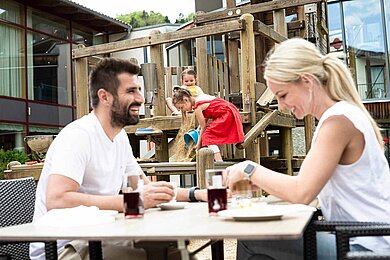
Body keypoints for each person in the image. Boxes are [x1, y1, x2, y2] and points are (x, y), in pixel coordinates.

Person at [226, 38, 390, 259]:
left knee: (251, 237)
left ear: (307, 80)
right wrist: (258, 183)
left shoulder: (337, 122)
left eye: (282, 95)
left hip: (366, 247)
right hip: (359, 239)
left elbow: (301, 192)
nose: (282, 106)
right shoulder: (342, 115)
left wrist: (249, 169)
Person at [29, 58, 207, 260]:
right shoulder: (78, 135)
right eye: (131, 91)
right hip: (63, 247)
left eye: (139, 90)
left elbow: (148, 190)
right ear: (105, 97)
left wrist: (198, 194)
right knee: (139, 257)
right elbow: (57, 199)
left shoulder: (119, 137)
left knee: (177, 252)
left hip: (103, 237)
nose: (140, 98)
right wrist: (130, 202)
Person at [172, 88, 244, 162]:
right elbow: (206, 116)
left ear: (186, 100)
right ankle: (219, 158)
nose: (183, 110)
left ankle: (219, 162)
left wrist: (198, 144)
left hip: (226, 114)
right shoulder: (200, 98)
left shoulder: (198, 107)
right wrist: (199, 128)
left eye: (181, 107)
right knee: (216, 137)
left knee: (208, 137)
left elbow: (203, 127)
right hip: (229, 111)